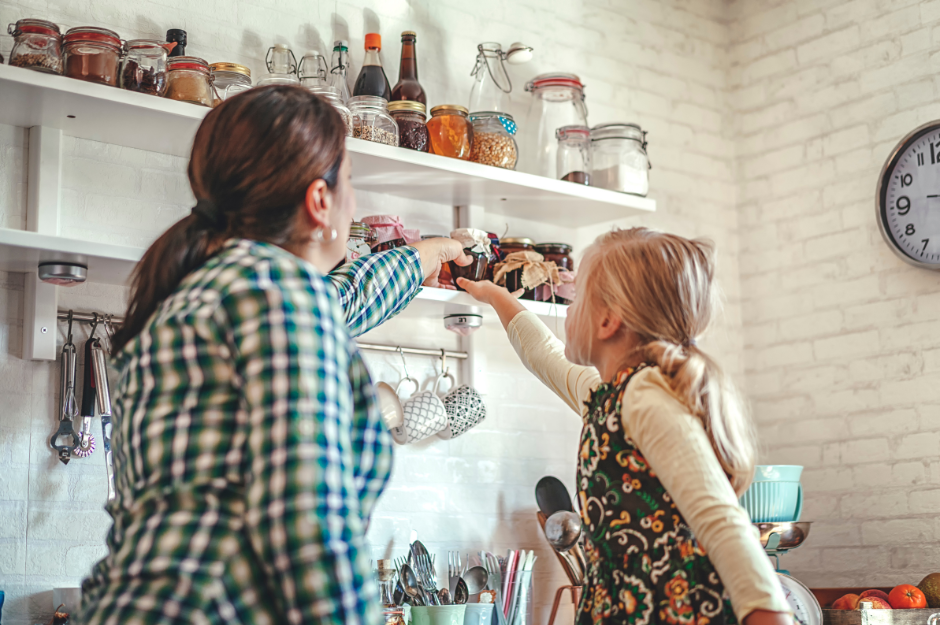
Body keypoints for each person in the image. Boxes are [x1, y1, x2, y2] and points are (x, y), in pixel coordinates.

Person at [77, 85, 469, 625]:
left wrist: (427, 254)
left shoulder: (196, 292)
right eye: (350, 181)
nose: (353, 199)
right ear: (319, 201)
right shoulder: (281, 294)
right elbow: (309, 526)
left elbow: (347, 299)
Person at [458, 228, 792, 625]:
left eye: (576, 298)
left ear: (608, 320)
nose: (567, 308)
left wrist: (772, 616)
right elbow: (543, 356)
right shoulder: (606, 395)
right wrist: (494, 295)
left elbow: (721, 520)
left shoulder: (644, 395)